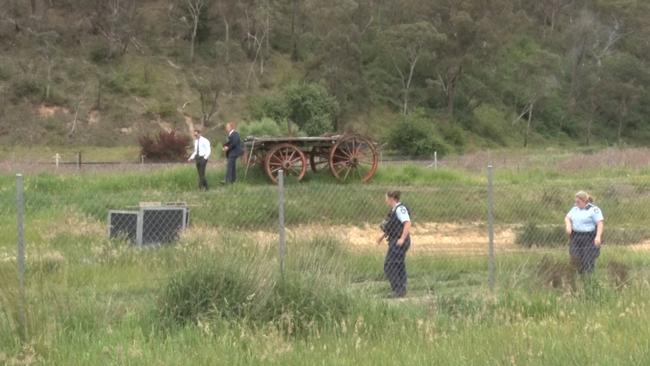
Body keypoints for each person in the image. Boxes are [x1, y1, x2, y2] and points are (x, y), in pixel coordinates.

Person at [377, 190, 412, 298]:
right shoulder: (394, 210)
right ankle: (401, 289)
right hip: (395, 240)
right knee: (398, 264)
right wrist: (382, 237)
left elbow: (407, 223)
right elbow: (392, 226)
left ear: (391, 198)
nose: (385, 200)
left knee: (389, 265)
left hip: (399, 241)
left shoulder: (400, 209)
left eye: (386, 198)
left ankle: (398, 290)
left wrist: (402, 238)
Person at [564, 191, 604, 274]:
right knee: (575, 258)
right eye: (575, 201)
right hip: (575, 237)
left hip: (589, 238)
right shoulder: (575, 209)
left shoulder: (594, 210)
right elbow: (567, 218)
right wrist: (568, 225)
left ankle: (589, 280)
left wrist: (598, 236)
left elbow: (600, 223)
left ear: (585, 200)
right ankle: (578, 278)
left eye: (578, 202)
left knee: (587, 260)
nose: (576, 203)